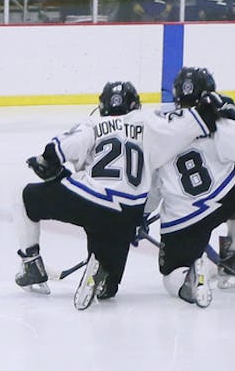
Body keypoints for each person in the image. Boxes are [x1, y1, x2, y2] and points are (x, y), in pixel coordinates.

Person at [14, 82, 148, 310]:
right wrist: (142, 216)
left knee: (24, 197)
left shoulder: (93, 124)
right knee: (108, 289)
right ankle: (102, 269)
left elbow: (59, 149)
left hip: (93, 201)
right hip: (129, 213)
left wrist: (47, 162)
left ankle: (31, 264)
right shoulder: (149, 130)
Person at [146, 69, 235, 306]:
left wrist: (140, 214)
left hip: (182, 217)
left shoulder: (161, 128)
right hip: (226, 199)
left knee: (172, 278)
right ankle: (232, 257)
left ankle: (192, 274)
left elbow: (152, 183)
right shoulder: (220, 125)